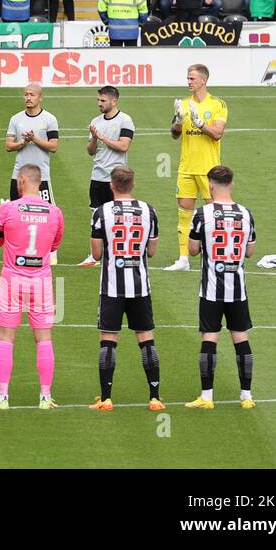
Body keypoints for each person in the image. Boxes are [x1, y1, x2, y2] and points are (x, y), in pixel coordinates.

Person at [0, 163, 64, 410]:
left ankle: (3, 396)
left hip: (12, 279)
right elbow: (53, 246)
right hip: (41, 280)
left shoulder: (7, 208)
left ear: (21, 180)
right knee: (43, 339)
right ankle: (45, 396)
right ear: (39, 182)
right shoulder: (54, 212)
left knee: (6, 337)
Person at [88, 167, 163, 412]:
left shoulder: (101, 212)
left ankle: (107, 399)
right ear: (133, 184)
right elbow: (151, 251)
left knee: (108, 340)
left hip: (111, 286)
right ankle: (154, 397)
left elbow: (97, 254)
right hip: (140, 286)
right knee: (146, 339)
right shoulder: (148, 211)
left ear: (111, 185)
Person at [185, 166, 257, 409]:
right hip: (238, 289)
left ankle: (207, 397)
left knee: (209, 338)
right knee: (241, 339)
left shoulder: (202, 214)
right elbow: (249, 251)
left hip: (211, 289)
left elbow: (193, 251)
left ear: (211, 186)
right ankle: (246, 396)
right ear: (231, 184)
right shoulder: (246, 214)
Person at [167, 64, 228, 272]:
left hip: (209, 169)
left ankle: (214, 255)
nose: (189, 82)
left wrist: (200, 122)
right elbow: (175, 135)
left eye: (192, 78)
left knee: (215, 214)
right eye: (188, 78)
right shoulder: (183, 104)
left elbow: (217, 133)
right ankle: (183, 258)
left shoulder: (218, 104)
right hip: (186, 168)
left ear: (204, 80)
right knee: (184, 213)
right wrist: (177, 121)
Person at [79, 85, 136, 267]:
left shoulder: (125, 120)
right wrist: (94, 138)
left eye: (103, 100)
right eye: (98, 100)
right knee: (96, 217)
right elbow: (90, 151)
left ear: (114, 101)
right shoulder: (95, 121)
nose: (99, 104)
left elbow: (124, 146)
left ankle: (117, 252)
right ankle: (95, 255)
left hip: (116, 177)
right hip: (97, 176)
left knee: (117, 217)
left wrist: (102, 136)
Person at [5, 83, 60, 215]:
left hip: (41, 177)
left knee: (46, 214)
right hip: (19, 176)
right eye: (26, 94)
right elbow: (8, 146)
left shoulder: (50, 119)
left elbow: (53, 146)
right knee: (16, 214)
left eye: (32, 95)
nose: (28, 98)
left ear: (40, 97)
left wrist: (34, 139)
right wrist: (23, 142)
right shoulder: (15, 119)